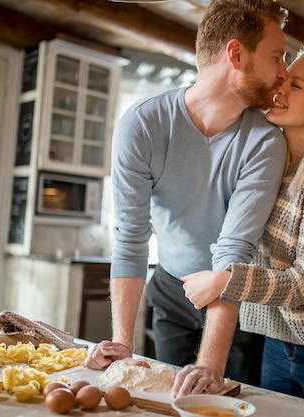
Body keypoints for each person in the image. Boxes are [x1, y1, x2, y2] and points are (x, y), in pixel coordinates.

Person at [82, 0, 289, 394]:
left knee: (224, 404)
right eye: (277, 56)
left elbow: (234, 250)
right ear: (236, 54)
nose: (283, 72)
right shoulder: (142, 124)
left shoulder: (265, 141)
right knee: (165, 400)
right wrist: (122, 341)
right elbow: (131, 237)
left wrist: (211, 363)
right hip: (171, 291)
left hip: (238, 304)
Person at [175, 44, 304, 414]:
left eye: (296, 85)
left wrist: (225, 282)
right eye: (283, 79)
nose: (279, 89)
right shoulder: (270, 169)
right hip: (277, 341)